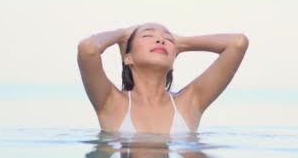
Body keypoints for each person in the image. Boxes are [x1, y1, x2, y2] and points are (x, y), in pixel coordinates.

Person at [77, 22, 248, 134]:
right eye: (147, 36)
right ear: (128, 57)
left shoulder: (190, 102)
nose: (160, 40)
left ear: (174, 58)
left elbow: (238, 43)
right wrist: (122, 34)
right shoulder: (111, 102)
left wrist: (182, 43)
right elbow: (88, 49)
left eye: (167, 38)